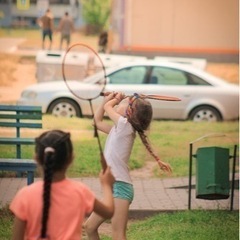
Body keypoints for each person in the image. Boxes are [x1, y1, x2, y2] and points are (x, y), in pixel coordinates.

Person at [84, 92, 172, 240]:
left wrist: (114, 99)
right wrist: (109, 100)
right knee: (90, 227)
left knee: (118, 235)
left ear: (129, 112)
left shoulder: (125, 126)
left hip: (120, 187)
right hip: (113, 188)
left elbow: (107, 106)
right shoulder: (119, 129)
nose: (119, 104)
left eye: (123, 103)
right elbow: (96, 122)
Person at [9, 129, 115, 240]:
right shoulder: (80, 191)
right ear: (71, 158)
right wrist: (106, 184)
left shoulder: (25, 195)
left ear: (36, 158)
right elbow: (108, 212)